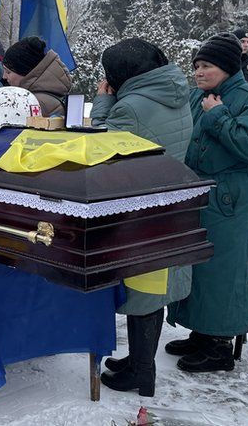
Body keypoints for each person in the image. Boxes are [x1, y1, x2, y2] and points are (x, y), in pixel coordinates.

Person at [89, 38, 193, 396]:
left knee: (145, 290)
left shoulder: (131, 107)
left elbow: (102, 148)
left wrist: (103, 103)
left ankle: (142, 373)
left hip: (141, 210)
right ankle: (137, 361)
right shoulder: (175, 92)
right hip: (170, 205)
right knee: (153, 289)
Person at [166, 33, 248, 373]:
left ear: (227, 67)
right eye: (196, 65)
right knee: (200, 266)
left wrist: (218, 115)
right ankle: (202, 332)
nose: (198, 72)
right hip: (201, 193)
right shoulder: (200, 96)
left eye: (206, 66)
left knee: (224, 268)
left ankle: (220, 345)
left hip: (231, 198)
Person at [1, 36, 71, 116]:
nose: (4, 77)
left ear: (25, 71)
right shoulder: (46, 95)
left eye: (8, 72)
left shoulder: (34, 102)